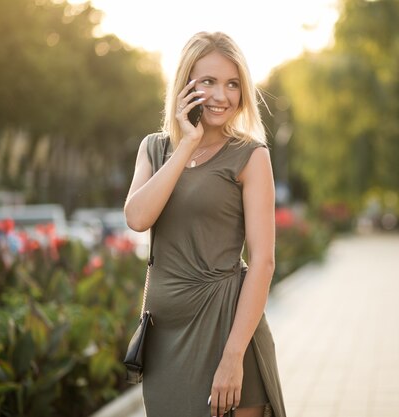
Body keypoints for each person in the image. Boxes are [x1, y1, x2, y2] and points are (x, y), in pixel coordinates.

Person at [124, 32, 286, 417]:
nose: (221, 96)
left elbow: (263, 262)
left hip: (226, 332)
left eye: (232, 84)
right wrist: (185, 145)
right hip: (165, 339)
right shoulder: (154, 148)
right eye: (208, 82)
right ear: (185, 85)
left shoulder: (250, 156)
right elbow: (137, 217)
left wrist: (233, 357)